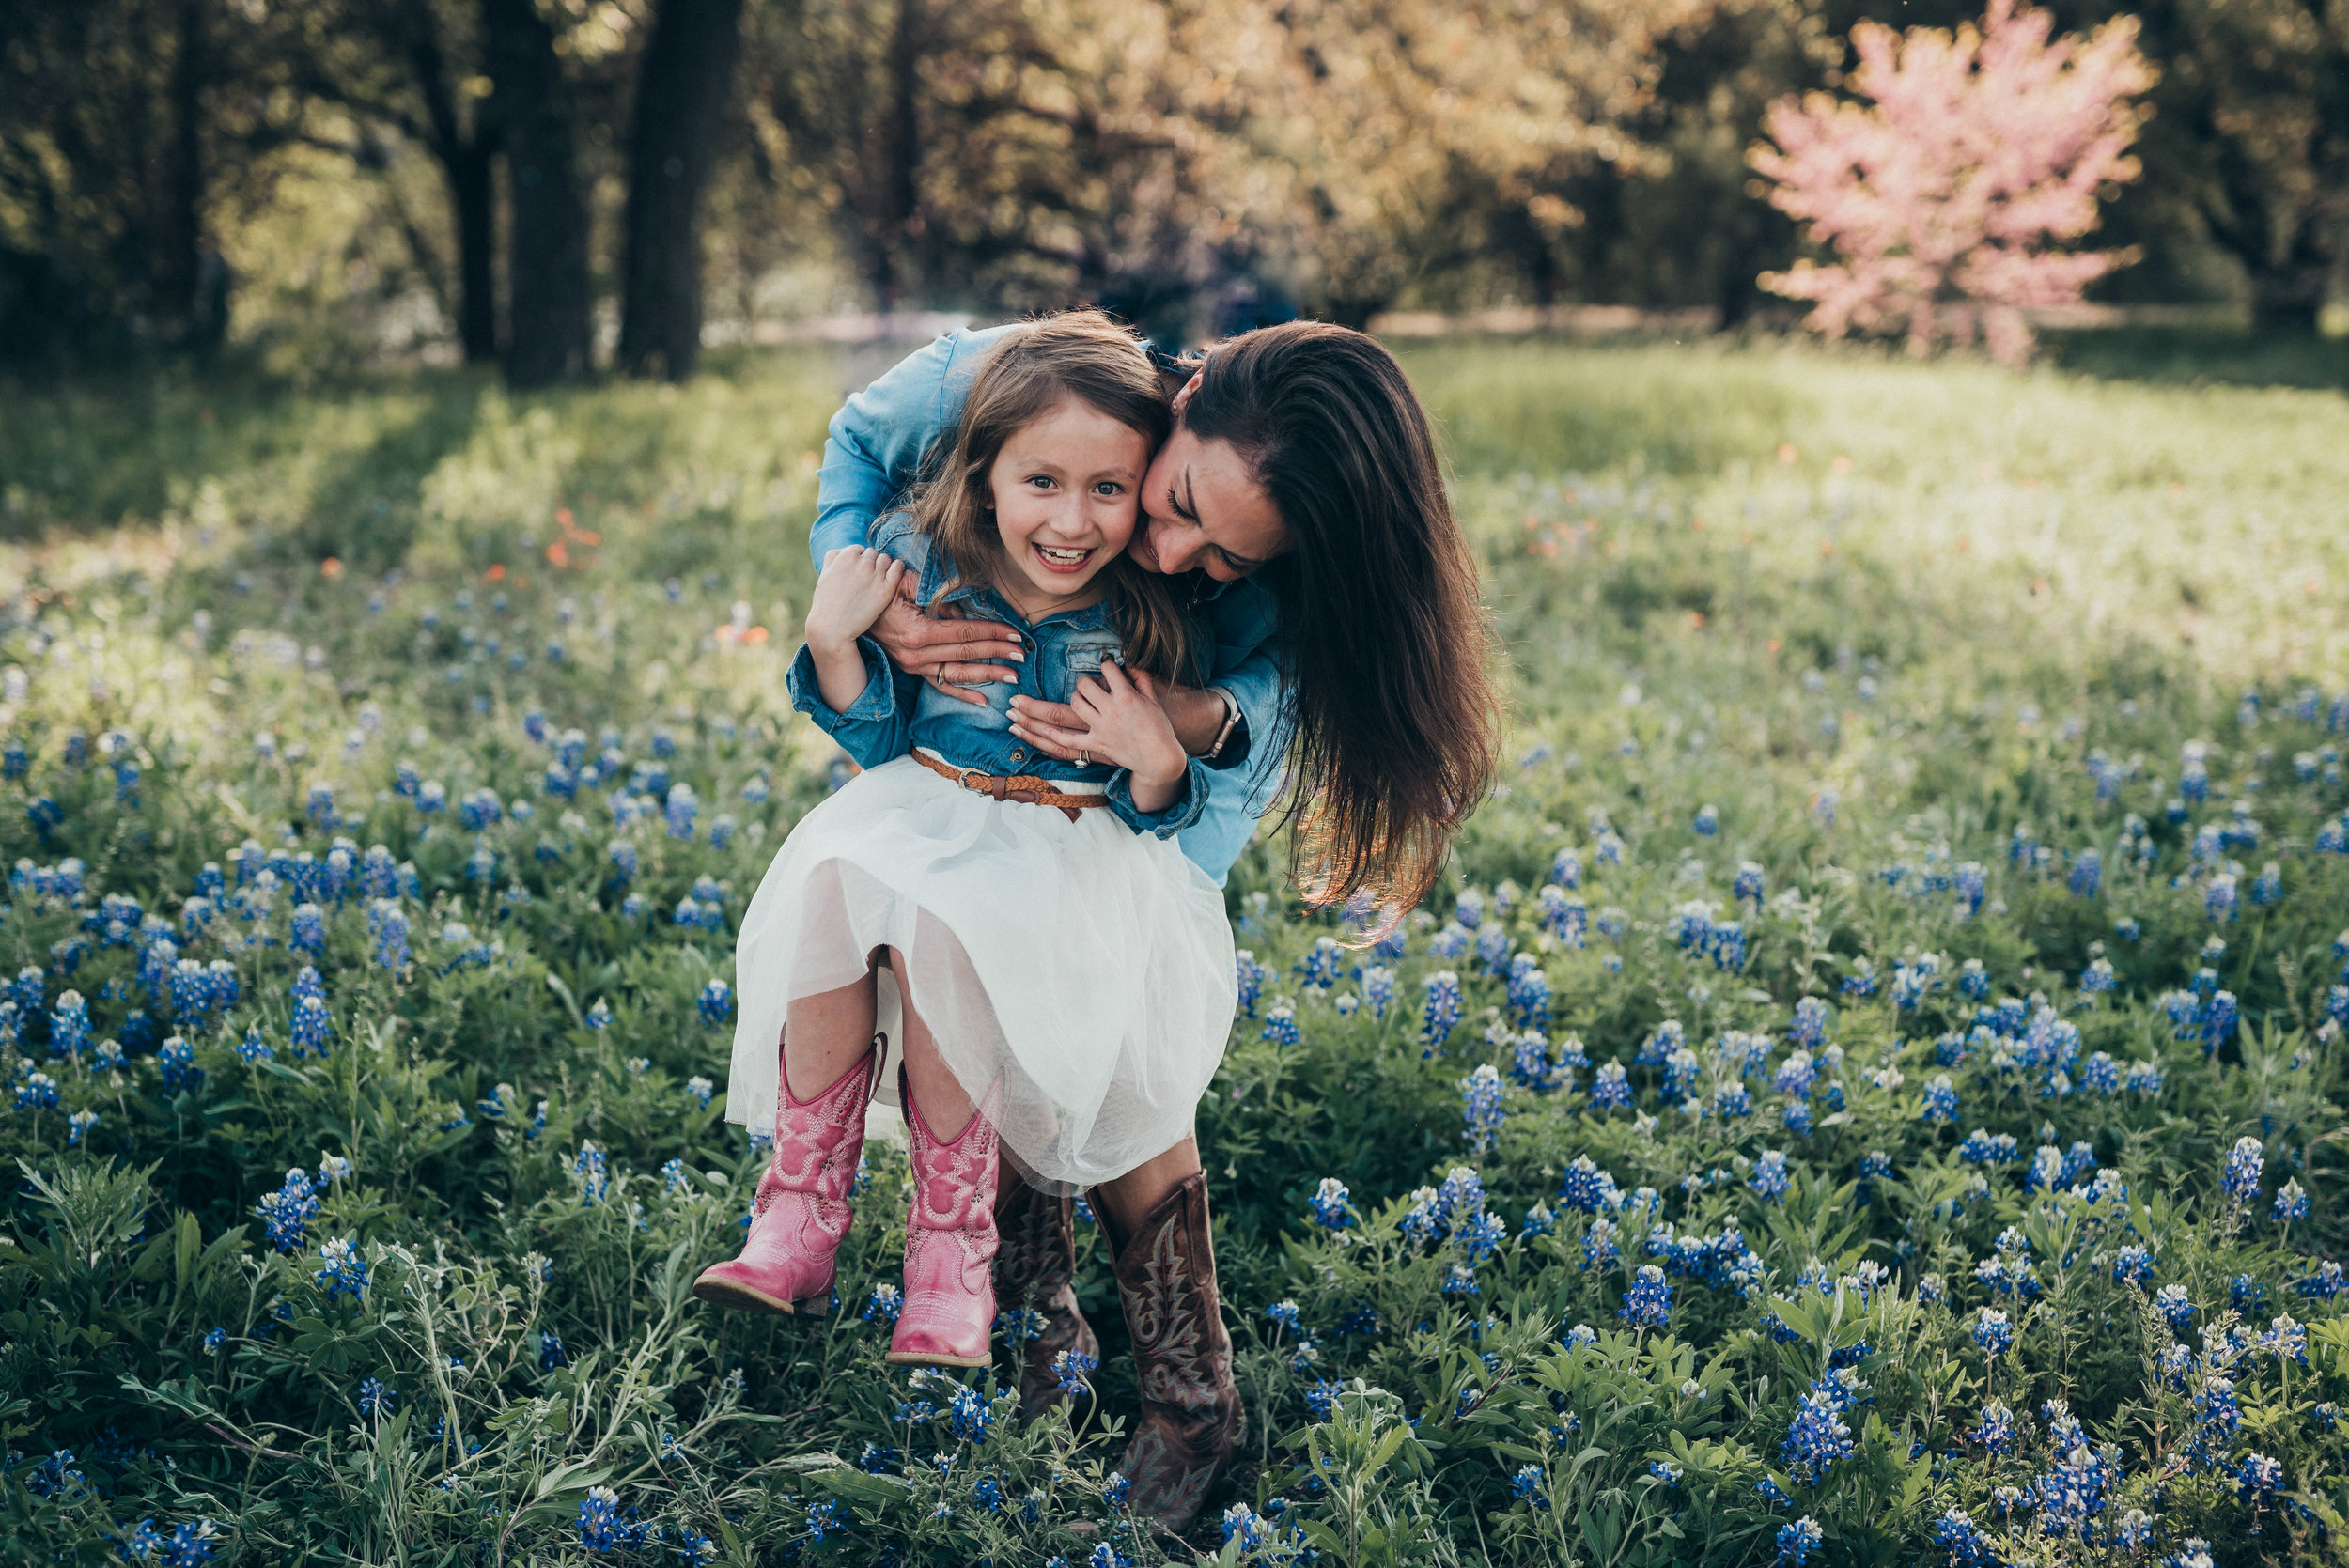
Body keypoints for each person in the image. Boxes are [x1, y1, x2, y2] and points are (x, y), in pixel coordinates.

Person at [785, 314, 1501, 1530]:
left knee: (1121, 1046)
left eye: (1220, 557)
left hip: (1146, 793)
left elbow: (1270, 698)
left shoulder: (1282, 543)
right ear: (1196, 389)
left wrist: (1195, 714)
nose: (1166, 552)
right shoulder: (1014, 376)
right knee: (983, 1024)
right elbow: (858, 437)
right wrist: (876, 590)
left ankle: (1191, 1395)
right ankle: (1036, 1341)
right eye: (1170, 500)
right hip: (976, 771)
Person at [693, 316, 1237, 1392]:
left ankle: (952, 1257)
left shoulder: (1153, 614)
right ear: (982, 475)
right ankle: (799, 1212)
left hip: (1066, 851)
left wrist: (1161, 755)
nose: (1072, 520)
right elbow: (878, 732)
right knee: (833, 883)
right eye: (1040, 481)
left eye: (1107, 491)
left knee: (945, 928)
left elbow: (1165, 800)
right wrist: (838, 638)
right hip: (934, 809)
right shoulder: (927, 571)